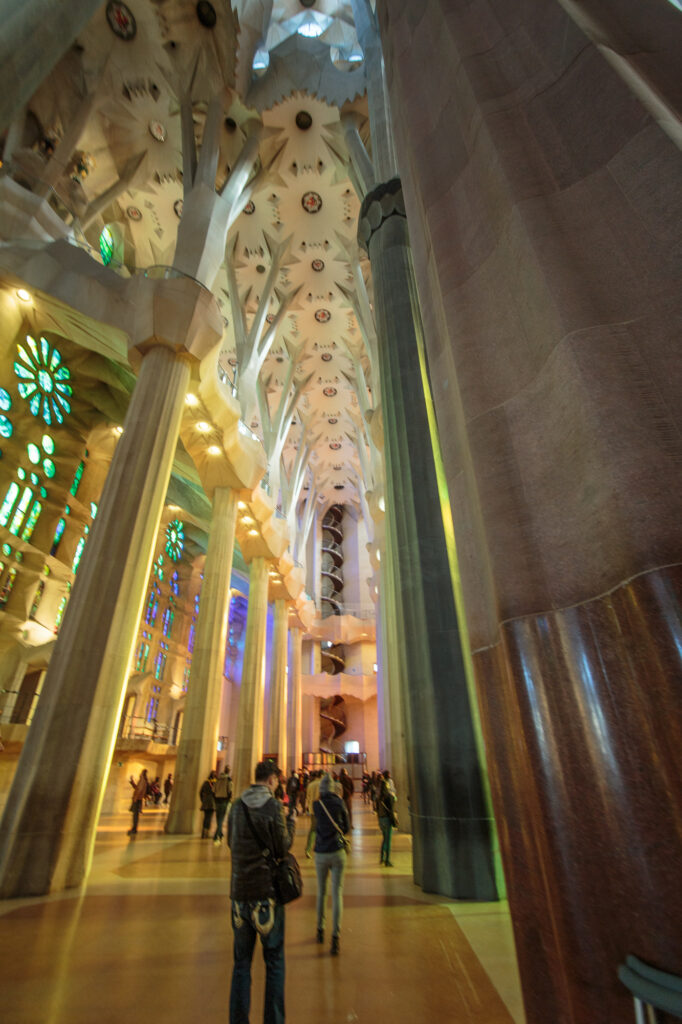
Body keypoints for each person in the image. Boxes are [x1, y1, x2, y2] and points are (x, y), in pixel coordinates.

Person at [228, 760, 295, 1024]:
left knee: (241, 965)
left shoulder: (236, 806)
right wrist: (291, 823)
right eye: (277, 781)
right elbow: (282, 848)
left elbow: (232, 844)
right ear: (270, 780)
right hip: (266, 895)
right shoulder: (273, 806)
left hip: (239, 895)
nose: (277, 785)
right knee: (274, 962)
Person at [313, 773, 350, 956]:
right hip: (337, 851)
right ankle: (335, 936)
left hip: (321, 852)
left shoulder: (316, 805)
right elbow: (346, 829)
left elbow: (316, 827)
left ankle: (320, 929)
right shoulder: (339, 803)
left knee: (321, 892)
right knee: (337, 894)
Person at [377, 770, 397, 867]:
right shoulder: (389, 797)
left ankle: (381, 857)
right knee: (388, 840)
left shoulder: (379, 797)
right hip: (387, 819)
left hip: (381, 819)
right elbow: (391, 811)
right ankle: (387, 860)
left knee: (384, 838)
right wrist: (394, 821)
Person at [213, 765, 232, 844]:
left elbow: (213, 790)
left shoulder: (218, 779)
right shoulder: (228, 780)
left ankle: (220, 834)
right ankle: (216, 835)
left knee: (218, 817)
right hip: (224, 800)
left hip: (217, 799)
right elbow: (230, 790)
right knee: (221, 818)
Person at [128, 769, 148, 836]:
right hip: (138, 799)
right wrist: (132, 782)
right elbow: (137, 788)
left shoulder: (142, 781)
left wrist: (135, 799)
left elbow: (139, 790)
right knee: (135, 815)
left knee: (135, 815)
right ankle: (134, 828)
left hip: (137, 799)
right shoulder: (143, 781)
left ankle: (134, 829)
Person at [199, 770, 217, 838]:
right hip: (212, 803)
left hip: (206, 802)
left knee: (206, 817)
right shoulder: (215, 783)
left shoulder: (206, 782)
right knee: (209, 818)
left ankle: (203, 832)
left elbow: (200, 792)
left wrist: (203, 800)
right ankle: (206, 832)